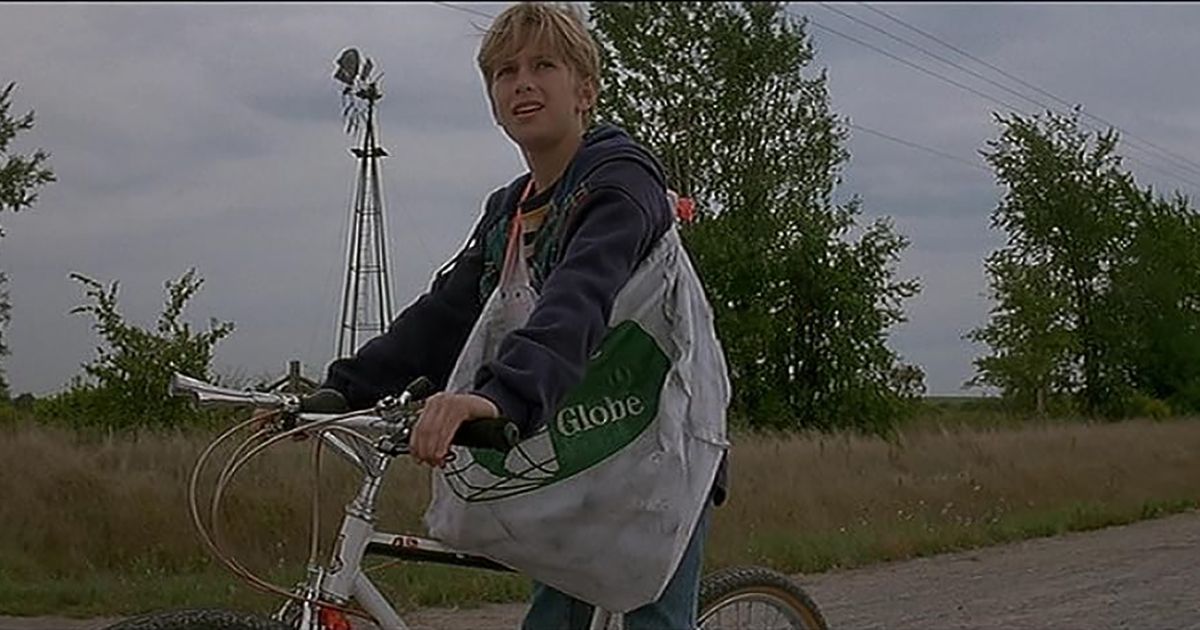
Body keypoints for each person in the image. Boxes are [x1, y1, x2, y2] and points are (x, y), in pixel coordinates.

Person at [315, 3, 727, 628]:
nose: (522, 83)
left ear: (585, 89)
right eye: (504, 72)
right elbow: (446, 313)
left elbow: (579, 298)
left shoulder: (621, 183)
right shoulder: (510, 211)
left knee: (651, 613)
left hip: (661, 447)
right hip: (576, 442)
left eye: (543, 66)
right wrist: (339, 390)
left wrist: (501, 397)